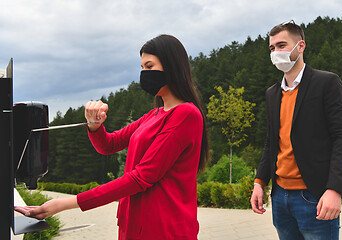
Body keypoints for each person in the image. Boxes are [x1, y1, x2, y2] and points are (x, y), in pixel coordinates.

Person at [15, 34, 210, 240]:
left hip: (163, 228)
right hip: (133, 223)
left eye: (150, 67)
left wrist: (65, 204)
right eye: (142, 67)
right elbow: (109, 144)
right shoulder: (153, 115)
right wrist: (94, 126)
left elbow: (141, 177)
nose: (144, 73)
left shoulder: (185, 115)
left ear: (171, 67)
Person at [250, 21, 342, 240]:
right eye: (272, 48)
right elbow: (271, 143)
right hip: (279, 199)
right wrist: (259, 182)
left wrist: (335, 189)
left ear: (301, 46)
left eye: (282, 45)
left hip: (314, 197)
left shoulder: (327, 83)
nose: (276, 52)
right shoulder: (272, 94)